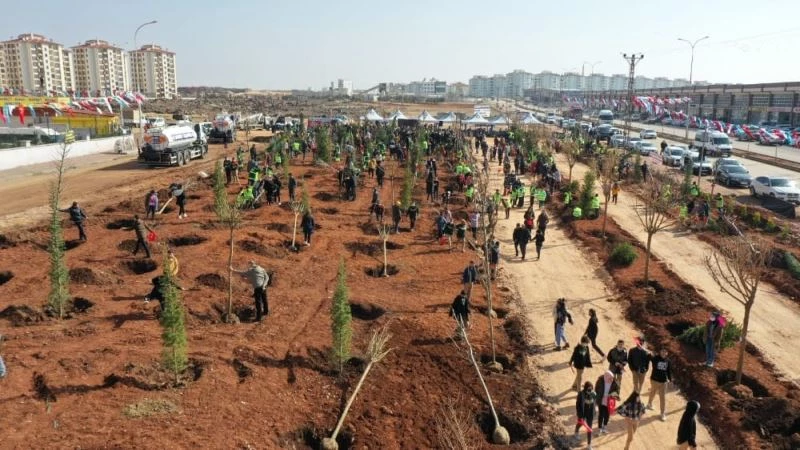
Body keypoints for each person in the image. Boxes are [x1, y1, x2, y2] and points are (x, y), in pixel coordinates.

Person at [647, 347, 672, 421]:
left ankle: (662, 413)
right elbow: (649, 357)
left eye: (665, 352)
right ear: (660, 352)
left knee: (663, 397)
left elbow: (668, 371)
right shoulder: (655, 358)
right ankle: (649, 404)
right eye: (662, 351)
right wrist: (649, 354)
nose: (664, 353)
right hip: (654, 380)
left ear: (667, 353)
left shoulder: (668, 361)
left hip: (663, 382)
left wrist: (670, 379)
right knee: (653, 392)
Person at [574, 382, 596, 449]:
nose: (590, 390)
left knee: (589, 428)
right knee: (580, 423)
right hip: (583, 413)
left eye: (591, 389)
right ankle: (576, 432)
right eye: (588, 389)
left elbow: (595, 402)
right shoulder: (581, 394)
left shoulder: (593, 394)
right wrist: (580, 415)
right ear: (585, 388)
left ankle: (589, 445)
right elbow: (578, 405)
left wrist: (594, 411)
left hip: (590, 413)